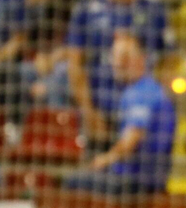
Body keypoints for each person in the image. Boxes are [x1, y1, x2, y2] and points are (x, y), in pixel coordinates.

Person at [66, 0, 172, 139]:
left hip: (142, 113)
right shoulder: (85, 10)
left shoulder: (154, 10)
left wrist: (156, 102)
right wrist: (88, 111)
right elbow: (75, 65)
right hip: (100, 109)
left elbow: (168, 61)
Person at [65, 32, 175, 198]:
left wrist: (104, 159)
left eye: (125, 57)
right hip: (142, 177)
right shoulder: (139, 90)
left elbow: (131, 141)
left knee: (72, 181)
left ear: (142, 59)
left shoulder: (142, 93)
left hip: (136, 180)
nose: (117, 63)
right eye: (115, 57)